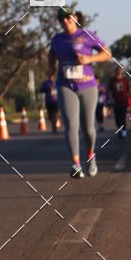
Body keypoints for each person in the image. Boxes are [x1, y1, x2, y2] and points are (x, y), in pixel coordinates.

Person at [48, 9, 112, 178]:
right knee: (71, 124)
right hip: (65, 84)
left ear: (75, 18)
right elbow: (51, 54)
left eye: (68, 17)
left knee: (88, 128)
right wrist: (51, 68)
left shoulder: (87, 35)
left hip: (87, 85)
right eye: (61, 19)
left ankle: (90, 155)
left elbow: (107, 53)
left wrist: (89, 59)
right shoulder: (57, 39)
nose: (65, 21)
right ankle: (75, 164)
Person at [108, 65, 131, 139]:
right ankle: (120, 130)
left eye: (120, 70)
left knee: (122, 118)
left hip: (124, 102)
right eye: (117, 70)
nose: (119, 72)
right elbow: (109, 91)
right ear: (115, 71)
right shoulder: (112, 80)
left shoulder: (125, 80)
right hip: (115, 102)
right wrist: (111, 98)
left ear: (121, 71)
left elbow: (129, 91)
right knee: (117, 119)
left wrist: (130, 103)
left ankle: (124, 131)